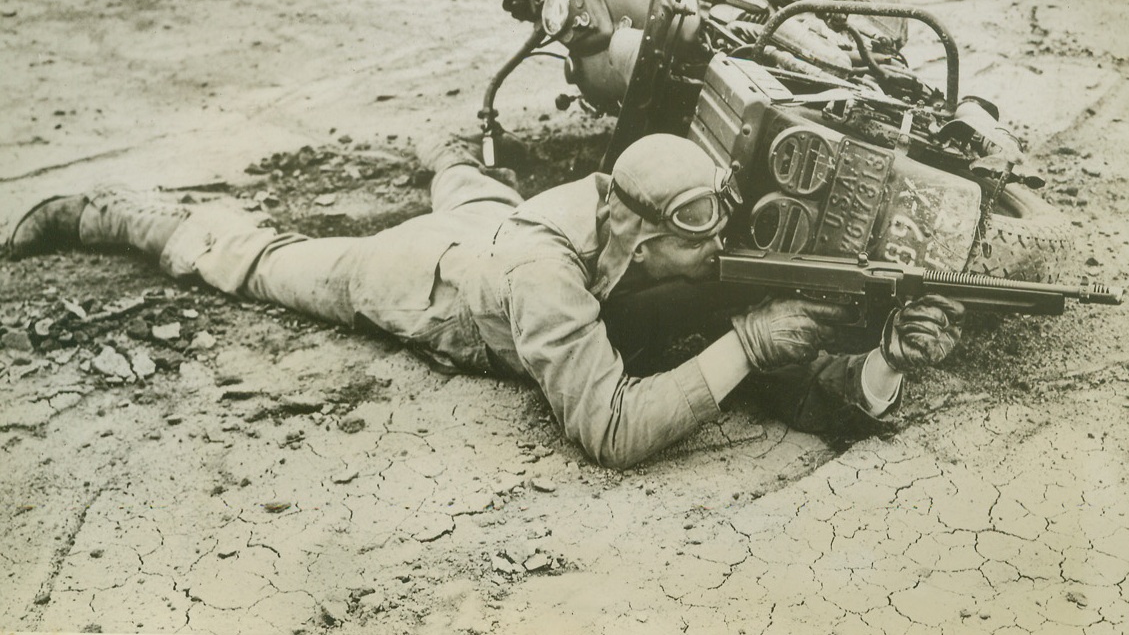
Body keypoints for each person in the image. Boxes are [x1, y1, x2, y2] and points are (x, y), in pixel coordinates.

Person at [6, 133, 963, 469]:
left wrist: (884, 358)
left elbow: (751, 352)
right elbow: (611, 430)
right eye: (696, 237)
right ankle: (120, 214)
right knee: (270, 262)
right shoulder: (552, 282)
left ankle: (452, 155)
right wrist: (748, 345)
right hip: (427, 279)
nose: (718, 254)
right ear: (632, 231)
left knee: (476, 189)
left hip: (508, 220)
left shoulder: (621, 218)